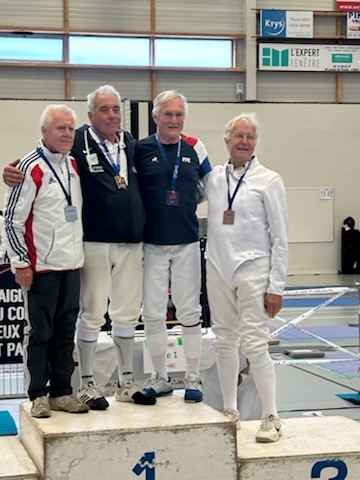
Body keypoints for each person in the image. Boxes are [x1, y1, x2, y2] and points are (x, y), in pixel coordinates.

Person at [2, 85, 155, 410]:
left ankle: (97, 386)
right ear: (90, 116)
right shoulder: (65, 151)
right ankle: (62, 390)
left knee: (101, 320)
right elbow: (18, 205)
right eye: (104, 109)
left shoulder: (120, 145)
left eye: (116, 109)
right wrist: (11, 172)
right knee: (65, 324)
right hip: (70, 255)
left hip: (100, 252)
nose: (111, 115)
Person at [205, 113, 288, 442]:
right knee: (224, 342)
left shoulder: (269, 180)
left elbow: (281, 238)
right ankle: (230, 410)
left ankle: (271, 416)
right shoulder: (212, 178)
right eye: (238, 135)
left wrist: (276, 286)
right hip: (217, 267)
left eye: (250, 137)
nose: (243, 141)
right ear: (226, 140)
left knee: (254, 344)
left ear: (256, 143)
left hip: (254, 268)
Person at [2, 104, 89, 418]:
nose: (67, 134)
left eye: (70, 128)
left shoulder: (74, 166)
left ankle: (62, 391)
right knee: (40, 332)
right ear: (44, 131)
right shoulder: (29, 167)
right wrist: (21, 263)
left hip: (72, 265)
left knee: (66, 330)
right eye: (60, 128)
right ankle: (38, 393)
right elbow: (11, 220)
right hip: (41, 268)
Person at [135, 90, 212, 402]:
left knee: (189, 311)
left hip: (186, 241)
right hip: (151, 243)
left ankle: (193, 378)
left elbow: (208, 188)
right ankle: (160, 377)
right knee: (153, 312)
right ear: (156, 117)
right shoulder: (140, 149)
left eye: (179, 114)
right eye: (168, 114)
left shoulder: (196, 146)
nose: (174, 120)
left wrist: (185, 204)